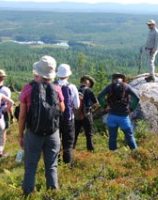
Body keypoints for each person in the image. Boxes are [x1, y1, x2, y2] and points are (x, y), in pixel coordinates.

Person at [18, 55, 65, 195]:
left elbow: (22, 116)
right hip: (52, 133)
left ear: (38, 71)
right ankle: (53, 193)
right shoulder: (57, 89)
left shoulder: (27, 88)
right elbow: (62, 109)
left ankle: (28, 194)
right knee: (51, 166)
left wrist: (21, 135)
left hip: (33, 132)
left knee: (31, 165)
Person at [97, 73, 140, 151]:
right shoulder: (126, 86)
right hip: (124, 117)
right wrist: (131, 109)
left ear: (113, 79)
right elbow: (136, 98)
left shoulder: (110, 87)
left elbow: (100, 97)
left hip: (112, 116)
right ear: (123, 79)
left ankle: (113, 154)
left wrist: (105, 106)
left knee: (112, 137)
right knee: (129, 136)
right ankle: (135, 152)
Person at [55, 64, 80, 166]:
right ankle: (67, 164)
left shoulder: (52, 86)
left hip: (54, 118)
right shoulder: (72, 87)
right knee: (68, 141)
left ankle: (55, 162)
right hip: (68, 118)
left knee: (56, 141)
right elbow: (77, 105)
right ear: (68, 75)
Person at [74, 75, 98, 152]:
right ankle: (90, 150)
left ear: (81, 82)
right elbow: (95, 103)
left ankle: (71, 148)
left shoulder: (75, 89)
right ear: (89, 84)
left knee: (75, 133)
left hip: (76, 115)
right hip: (86, 114)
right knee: (89, 133)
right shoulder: (89, 91)